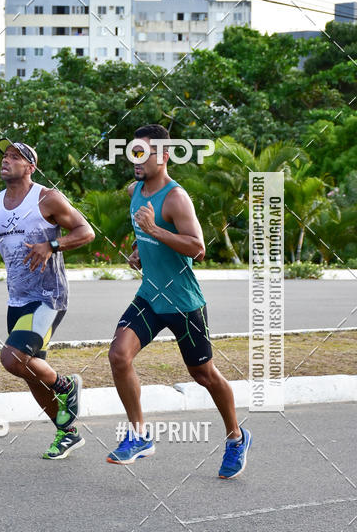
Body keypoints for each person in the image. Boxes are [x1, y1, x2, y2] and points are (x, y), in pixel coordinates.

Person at [107, 124, 252, 479]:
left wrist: (155, 231)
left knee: (203, 374)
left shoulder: (176, 198)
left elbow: (198, 248)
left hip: (184, 302)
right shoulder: (135, 190)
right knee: (118, 355)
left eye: (143, 153)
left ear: (164, 156)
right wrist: (141, 249)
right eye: (133, 152)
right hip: (150, 296)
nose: (136, 160)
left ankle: (236, 436)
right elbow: (147, 233)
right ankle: (139, 435)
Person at [0, 138, 95, 459]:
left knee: (12, 359)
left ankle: (67, 387)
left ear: (30, 167)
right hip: (17, 301)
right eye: (5, 155)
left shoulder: (47, 199)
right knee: (31, 373)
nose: (7, 160)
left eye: (16, 156)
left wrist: (51, 246)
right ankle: (67, 433)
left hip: (49, 297)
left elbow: (86, 232)